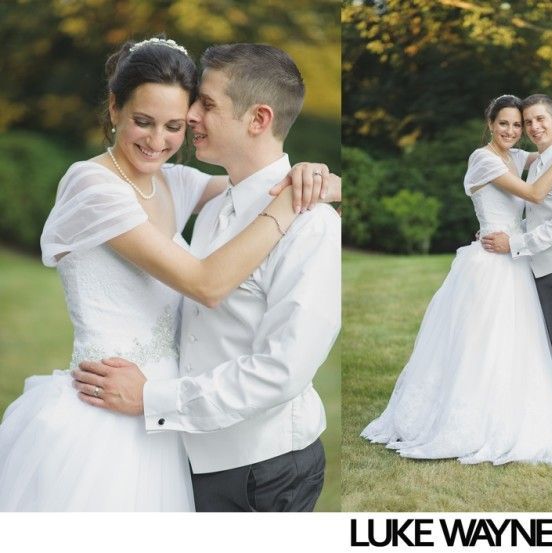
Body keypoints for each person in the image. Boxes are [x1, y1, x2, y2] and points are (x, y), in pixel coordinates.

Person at [0, 38, 339, 511]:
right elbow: (206, 283)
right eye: (143, 121)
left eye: (176, 124)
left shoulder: (177, 183)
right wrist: (288, 202)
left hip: (182, 427)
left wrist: (317, 178)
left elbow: (259, 178)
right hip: (112, 409)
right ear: (115, 107)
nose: (159, 140)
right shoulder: (93, 185)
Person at [362, 94, 552, 465]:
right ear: (490, 124)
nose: (514, 131)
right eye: (505, 124)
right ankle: (467, 420)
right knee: (479, 344)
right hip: (491, 259)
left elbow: (544, 154)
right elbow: (534, 192)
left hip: (517, 259)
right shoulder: (482, 160)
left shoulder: (517, 157)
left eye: (519, 125)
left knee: (516, 344)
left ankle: (511, 414)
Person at [482, 94, 552, 462]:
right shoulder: (537, 162)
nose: (533, 127)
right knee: (547, 356)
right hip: (539, 271)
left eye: (540, 119)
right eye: (528, 122)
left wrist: (515, 244)